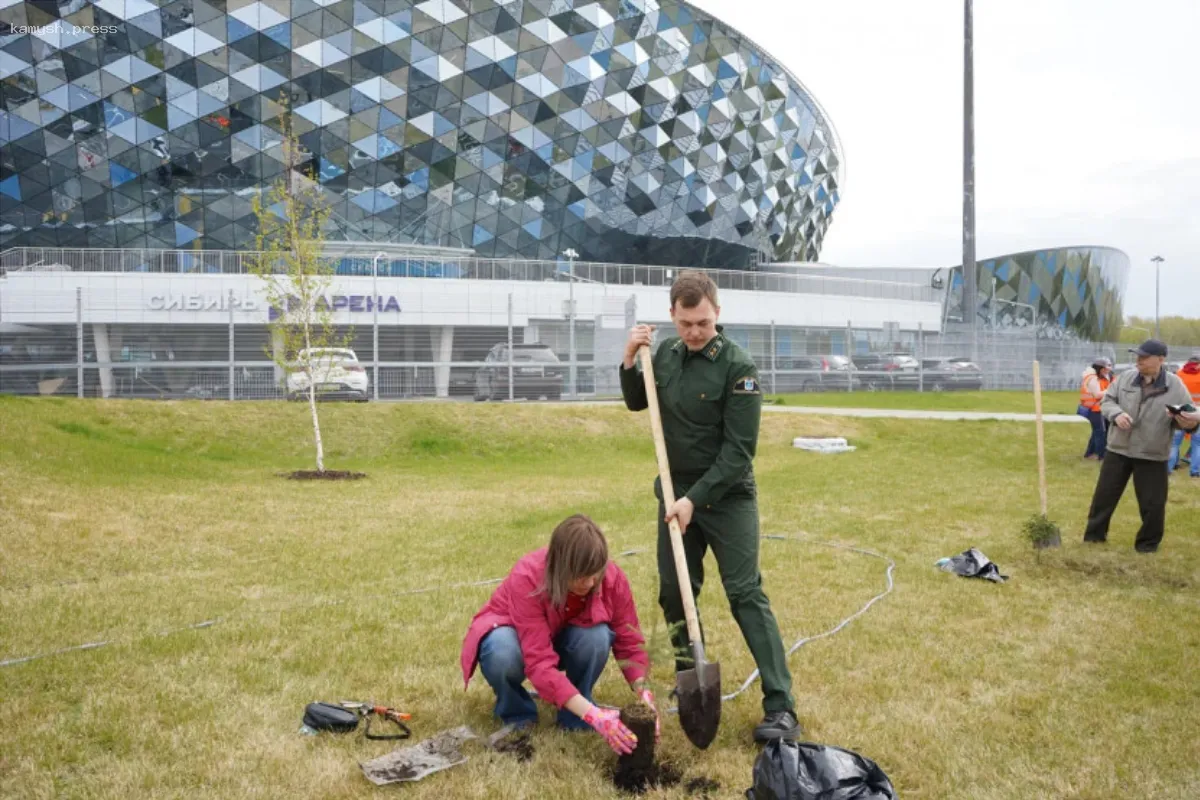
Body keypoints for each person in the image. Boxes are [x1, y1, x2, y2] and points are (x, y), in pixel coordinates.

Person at [619, 269, 801, 742]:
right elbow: (640, 403)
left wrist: (694, 500)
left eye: (702, 322)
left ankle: (780, 704)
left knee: (745, 593)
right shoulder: (665, 354)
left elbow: (739, 453)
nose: (694, 332)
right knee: (673, 591)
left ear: (717, 313)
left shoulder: (738, 368)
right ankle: (688, 678)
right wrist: (627, 359)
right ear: (673, 317)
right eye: (685, 324)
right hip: (674, 492)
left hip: (726, 495)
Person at [460, 514, 657, 755]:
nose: (591, 582)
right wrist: (596, 715)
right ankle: (516, 713)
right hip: (516, 638)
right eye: (582, 576)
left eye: (596, 573)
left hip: (565, 637)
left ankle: (575, 714)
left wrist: (645, 695)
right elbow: (540, 663)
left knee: (597, 637)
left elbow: (630, 643)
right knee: (501, 652)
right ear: (560, 567)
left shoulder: (611, 578)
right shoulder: (527, 577)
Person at [1083, 340, 1200, 553]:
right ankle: (1093, 538)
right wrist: (1116, 414)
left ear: (1161, 359)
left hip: (1152, 453)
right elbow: (1107, 401)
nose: (1139, 360)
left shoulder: (1175, 386)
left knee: (1153, 504)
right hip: (1119, 448)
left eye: (1144, 357)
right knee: (1104, 497)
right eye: (1138, 356)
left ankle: (1147, 545)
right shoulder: (1126, 377)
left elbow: (1188, 417)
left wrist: (1187, 422)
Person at [1167, 352, 1200, 477]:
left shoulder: (1179, 375)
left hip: (1179, 413)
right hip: (1197, 413)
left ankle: (1169, 469)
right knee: (1197, 444)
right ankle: (1195, 471)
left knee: (1174, 443)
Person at [1080, 357, 1113, 460]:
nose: (1109, 369)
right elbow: (1097, 394)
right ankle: (1101, 455)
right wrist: (1111, 390)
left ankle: (1090, 453)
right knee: (1100, 432)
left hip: (1095, 408)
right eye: (1107, 366)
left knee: (1096, 432)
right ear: (1101, 368)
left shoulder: (1098, 377)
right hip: (1093, 409)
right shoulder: (1093, 378)